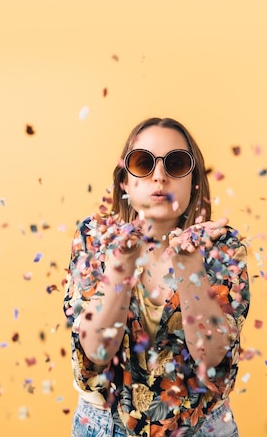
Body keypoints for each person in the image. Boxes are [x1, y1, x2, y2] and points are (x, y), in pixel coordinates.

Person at [63, 117, 250, 437]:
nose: (159, 176)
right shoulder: (96, 238)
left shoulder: (222, 245)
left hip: (203, 428)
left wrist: (190, 266)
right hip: (105, 428)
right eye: (143, 163)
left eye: (176, 163)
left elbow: (211, 356)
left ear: (193, 181)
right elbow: (95, 353)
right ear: (124, 181)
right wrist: (120, 268)